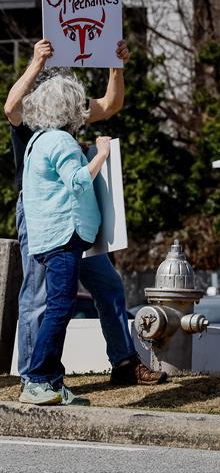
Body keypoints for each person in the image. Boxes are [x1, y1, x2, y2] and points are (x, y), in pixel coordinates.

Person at [4, 40, 165, 388]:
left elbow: (110, 104)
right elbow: (11, 106)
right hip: (42, 211)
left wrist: (115, 65)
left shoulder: (67, 113)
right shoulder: (31, 114)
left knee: (106, 284)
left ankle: (123, 362)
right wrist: (35, 62)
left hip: (78, 211)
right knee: (38, 294)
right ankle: (34, 376)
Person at [17, 74, 112, 405]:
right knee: (60, 306)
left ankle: (52, 383)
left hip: (47, 237)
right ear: (70, 108)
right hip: (63, 235)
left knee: (58, 305)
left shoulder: (38, 140)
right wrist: (101, 153)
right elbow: (77, 182)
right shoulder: (60, 141)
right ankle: (38, 379)